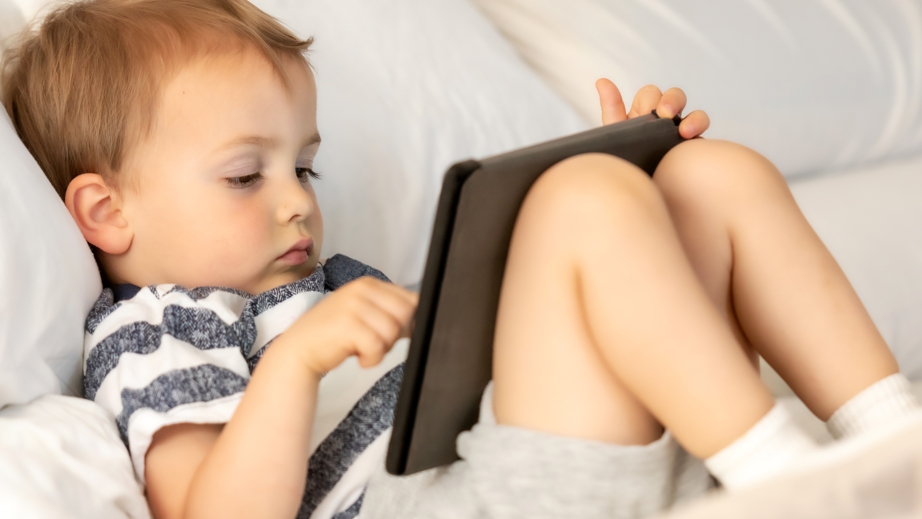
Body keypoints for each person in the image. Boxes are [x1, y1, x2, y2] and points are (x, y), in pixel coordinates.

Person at [2, 1, 918, 518]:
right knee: (582, 202)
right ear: (105, 211)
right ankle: (800, 489)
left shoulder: (328, 280)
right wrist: (297, 361)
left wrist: (621, 190)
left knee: (707, 173)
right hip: (474, 500)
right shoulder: (151, 328)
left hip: (556, 449)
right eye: (246, 174)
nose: (297, 198)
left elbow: (493, 347)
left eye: (305, 165)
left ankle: (887, 435)